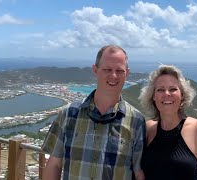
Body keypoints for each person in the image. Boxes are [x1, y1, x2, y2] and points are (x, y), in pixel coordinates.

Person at [41, 45, 146, 180]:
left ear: (127, 73)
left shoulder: (136, 120)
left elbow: (138, 172)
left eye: (119, 70)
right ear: (95, 70)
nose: (113, 75)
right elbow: (54, 164)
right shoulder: (68, 114)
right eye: (107, 69)